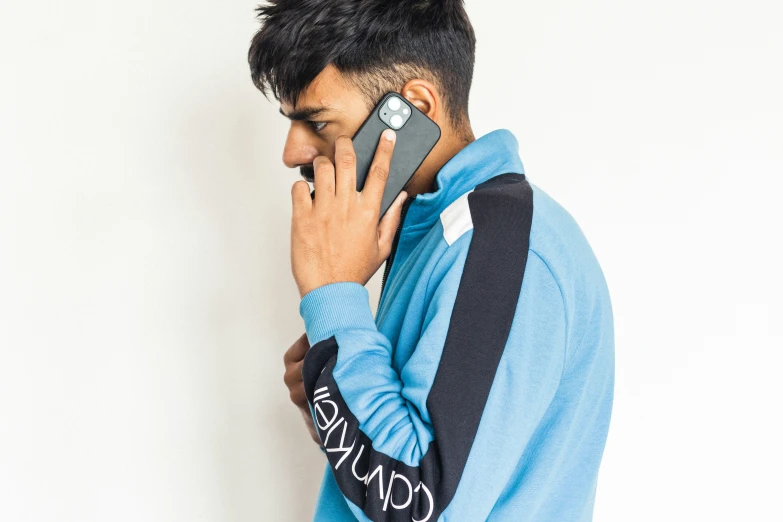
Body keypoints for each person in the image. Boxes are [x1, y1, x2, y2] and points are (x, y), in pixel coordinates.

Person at [248, 0, 614, 520]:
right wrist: (332, 383)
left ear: (414, 105)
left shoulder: (503, 246)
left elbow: (418, 500)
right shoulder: (433, 229)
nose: (292, 152)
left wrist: (333, 299)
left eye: (317, 122)